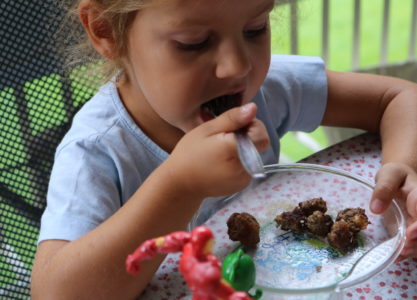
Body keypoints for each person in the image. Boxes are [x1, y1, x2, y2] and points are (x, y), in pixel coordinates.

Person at [31, 0, 417, 299]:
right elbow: (56, 292)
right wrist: (179, 185)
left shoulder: (264, 90)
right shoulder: (96, 152)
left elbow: (397, 98)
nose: (236, 66)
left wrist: (401, 165)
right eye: (193, 43)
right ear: (106, 32)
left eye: (255, 29)